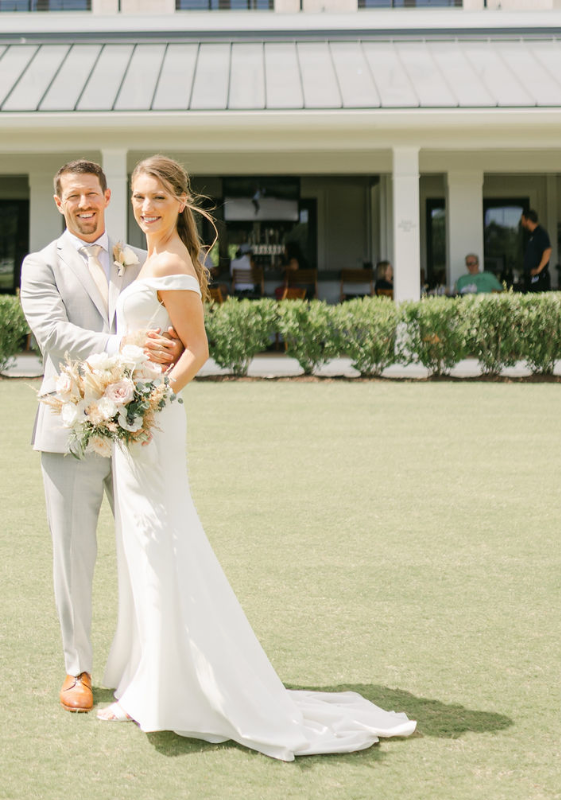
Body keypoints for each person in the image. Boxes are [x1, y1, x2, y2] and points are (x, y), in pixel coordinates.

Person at [95, 154, 416, 758]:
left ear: (181, 202)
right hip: (132, 424)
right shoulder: (147, 259)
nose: (145, 209)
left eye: (158, 199)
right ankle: (147, 682)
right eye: (138, 198)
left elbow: (198, 349)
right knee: (143, 546)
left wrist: (148, 403)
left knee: (164, 543)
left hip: (153, 424)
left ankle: (175, 690)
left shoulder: (173, 262)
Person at [20, 159, 182, 714]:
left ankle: (159, 664)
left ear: (108, 197)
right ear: (59, 203)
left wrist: (169, 349)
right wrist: (127, 349)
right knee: (74, 554)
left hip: (136, 427)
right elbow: (53, 336)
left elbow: (170, 325)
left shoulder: (141, 258)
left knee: (153, 541)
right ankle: (78, 669)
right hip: (68, 429)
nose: (84, 205)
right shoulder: (39, 265)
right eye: (73, 197)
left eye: (93, 194)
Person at [521, 209, 552, 291]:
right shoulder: (530, 234)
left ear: (527, 220)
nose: (521, 223)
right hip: (530, 277)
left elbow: (547, 251)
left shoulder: (541, 233)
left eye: (522, 220)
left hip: (539, 278)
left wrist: (539, 269)